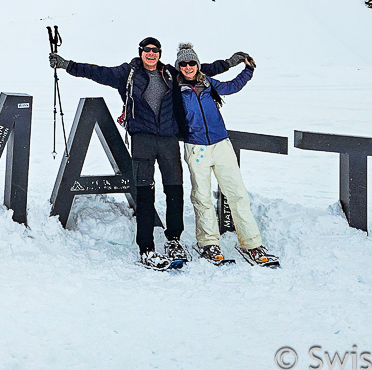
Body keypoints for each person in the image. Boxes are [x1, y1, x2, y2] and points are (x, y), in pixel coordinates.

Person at [49, 37, 247, 271]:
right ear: (141, 52)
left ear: (160, 53)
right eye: (147, 50)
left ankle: (174, 240)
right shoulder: (127, 73)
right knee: (145, 192)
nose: (151, 54)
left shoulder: (170, 73)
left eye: (155, 51)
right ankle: (146, 248)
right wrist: (67, 65)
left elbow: (201, 69)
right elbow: (96, 72)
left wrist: (231, 63)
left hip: (168, 139)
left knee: (175, 188)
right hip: (142, 139)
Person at [173, 42, 279, 267]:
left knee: (237, 193)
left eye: (192, 62)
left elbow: (231, 86)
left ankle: (252, 243)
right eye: (183, 63)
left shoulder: (208, 82)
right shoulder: (174, 89)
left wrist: (248, 71)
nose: (188, 67)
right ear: (178, 66)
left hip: (221, 144)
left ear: (197, 64)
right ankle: (209, 243)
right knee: (202, 197)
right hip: (196, 148)